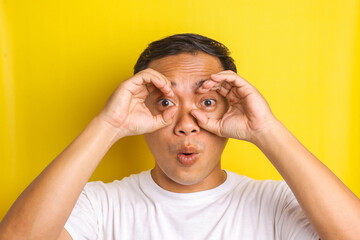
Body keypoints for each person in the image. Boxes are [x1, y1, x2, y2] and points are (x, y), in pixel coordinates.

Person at [0, 33, 359, 240]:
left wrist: (265, 129)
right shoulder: (99, 206)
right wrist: (109, 124)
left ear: (230, 110)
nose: (187, 124)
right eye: (166, 102)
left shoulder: (277, 202)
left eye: (206, 102)